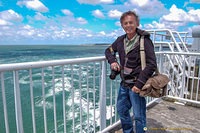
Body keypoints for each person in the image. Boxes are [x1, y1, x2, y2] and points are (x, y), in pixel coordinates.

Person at [105, 11, 157, 133]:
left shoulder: (144, 40)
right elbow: (108, 50)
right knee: (122, 110)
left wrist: (139, 84)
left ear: (137, 23)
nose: (128, 25)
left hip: (136, 85)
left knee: (140, 117)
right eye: (125, 23)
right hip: (124, 84)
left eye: (131, 22)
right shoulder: (120, 40)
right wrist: (112, 61)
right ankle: (128, 131)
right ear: (122, 26)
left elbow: (151, 64)